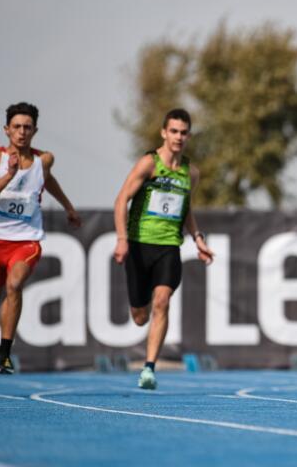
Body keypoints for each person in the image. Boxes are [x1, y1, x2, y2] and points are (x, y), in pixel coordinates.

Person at [0, 102, 81, 374]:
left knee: (14, 285)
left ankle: (5, 353)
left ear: (34, 130)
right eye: (17, 127)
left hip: (27, 241)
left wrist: (68, 207)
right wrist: (9, 175)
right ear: (7, 130)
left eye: (27, 127)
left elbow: (48, 179)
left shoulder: (44, 160)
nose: (22, 132)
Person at [113, 108, 213, 390]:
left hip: (169, 246)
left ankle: (149, 369)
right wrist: (122, 239)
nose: (178, 137)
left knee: (162, 302)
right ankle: (139, 308)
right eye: (174, 131)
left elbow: (187, 209)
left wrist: (198, 239)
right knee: (140, 315)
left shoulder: (190, 173)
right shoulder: (149, 164)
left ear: (188, 136)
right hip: (138, 244)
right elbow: (121, 200)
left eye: (183, 132)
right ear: (164, 133)